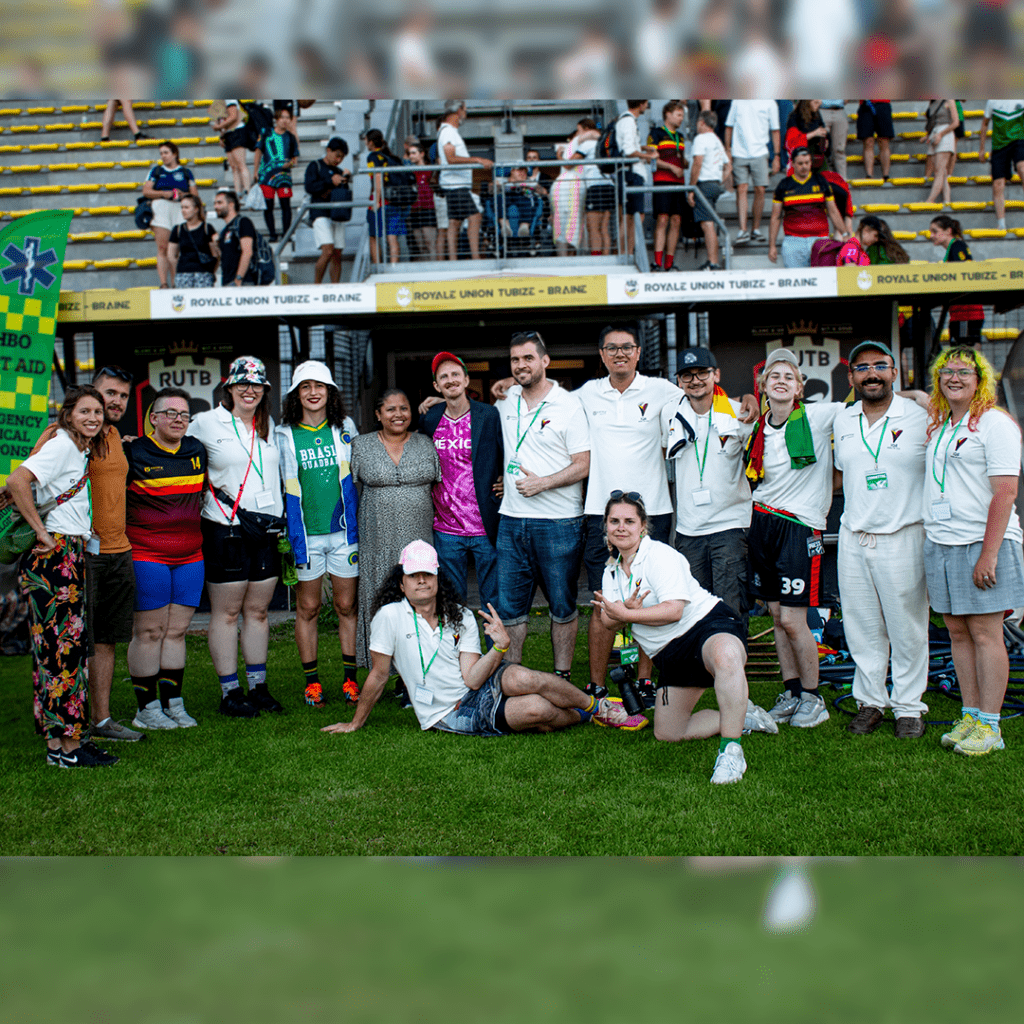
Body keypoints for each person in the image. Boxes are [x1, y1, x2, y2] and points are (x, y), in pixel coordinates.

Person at [322, 540, 647, 736]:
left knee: (522, 677)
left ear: (437, 578)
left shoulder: (460, 614)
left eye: (427, 574)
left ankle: (598, 706)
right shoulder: (389, 616)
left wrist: (500, 647)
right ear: (402, 583)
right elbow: (379, 675)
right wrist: (356, 722)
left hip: (475, 688)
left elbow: (473, 679)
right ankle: (584, 715)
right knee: (537, 711)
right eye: (413, 575)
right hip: (446, 713)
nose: (421, 581)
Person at [592, 493, 776, 784]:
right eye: (614, 521)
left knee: (727, 656)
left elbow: (674, 611)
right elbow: (607, 620)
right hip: (669, 654)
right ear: (606, 526)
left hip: (704, 627)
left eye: (629, 521)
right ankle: (743, 715)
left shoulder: (660, 555)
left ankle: (731, 752)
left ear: (643, 526)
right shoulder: (611, 571)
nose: (621, 528)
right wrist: (624, 610)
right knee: (669, 733)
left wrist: (627, 614)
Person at [23, 366, 144, 745]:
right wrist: (41, 531)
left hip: (117, 550)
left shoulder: (114, 436)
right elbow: (30, 480)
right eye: (109, 393)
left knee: (105, 639)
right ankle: (65, 730)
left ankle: (100, 719)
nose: (115, 401)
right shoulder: (62, 436)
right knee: (69, 642)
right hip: (75, 551)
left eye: (123, 395)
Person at [7, 386, 117, 767]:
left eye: (98, 412)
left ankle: (62, 744)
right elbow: (17, 480)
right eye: (84, 411)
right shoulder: (64, 446)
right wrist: (41, 532)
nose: (93, 418)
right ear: (68, 414)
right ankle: (68, 748)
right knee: (63, 651)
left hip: (63, 553)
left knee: (57, 652)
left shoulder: (73, 447)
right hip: (55, 555)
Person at [923, 347, 1024, 756]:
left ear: (981, 379)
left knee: (985, 633)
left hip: (981, 543)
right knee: (958, 633)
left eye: (965, 372)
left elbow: (1006, 492)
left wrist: (989, 554)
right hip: (942, 542)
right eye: (947, 371)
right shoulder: (942, 424)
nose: (955, 377)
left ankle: (991, 726)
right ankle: (970, 715)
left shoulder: (995, 423)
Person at [833, 342, 930, 739]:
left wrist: (918, 395)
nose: (871, 374)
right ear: (851, 377)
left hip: (902, 534)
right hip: (854, 536)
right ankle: (870, 702)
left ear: (894, 372)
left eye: (879, 366)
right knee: (862, 627)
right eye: (862, 368)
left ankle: (909, 707)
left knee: (907, 628)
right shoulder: (843, 418)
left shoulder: (921, 416)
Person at [744, 348, 845, 729]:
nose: (781, 381)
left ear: (800, 387)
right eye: (775, 376)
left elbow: (869, 407)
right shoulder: (756, 426)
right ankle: (791, 692)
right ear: (763, 386)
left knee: (792, 618)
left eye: (789, 376)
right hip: (762, 521)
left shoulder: (819, 416)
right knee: (775, 615)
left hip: (799, 526)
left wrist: (914, 397)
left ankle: (813, 697)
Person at [187, 356, 284, 718]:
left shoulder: (269, 425)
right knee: (227, 613)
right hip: (224, 528)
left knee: (258, 612)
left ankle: (258, 687)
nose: (249, 390)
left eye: (256, 384)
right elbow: (174, 448)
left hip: (265, 528)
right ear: (228, 387)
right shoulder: (205, 422)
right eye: (242, 383)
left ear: (264, 390)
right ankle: (230, 692)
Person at [495, 331, 590, 679]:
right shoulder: (506, 400)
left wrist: (543, 482)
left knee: (562, 606)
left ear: (545, 361)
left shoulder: (569, 405)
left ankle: (562, 677)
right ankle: (511, 679)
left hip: (559, 522)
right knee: (510, 609)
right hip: (511, 520)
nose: (521, 365)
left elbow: (583, 464)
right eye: (515, 360)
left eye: (528, 358)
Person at [275, 361, 360, 708]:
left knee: (346, 606)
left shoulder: (345, 427)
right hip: (305, 535)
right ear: (296, 394)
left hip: (343, 533)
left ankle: (350, 680)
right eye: (305, 387)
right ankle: (312, 684)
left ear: (330, 392)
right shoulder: (283, 433)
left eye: (319, 386)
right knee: (308, 608)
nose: (313, 393)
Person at [124, 388, 207, 730]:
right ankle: (146, 709)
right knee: (149, 632)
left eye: (184, 414)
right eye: (170, 413)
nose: (178, 419)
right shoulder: (133, 452)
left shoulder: (197, 450)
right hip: (147, 554)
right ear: (153, 418)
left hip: (191, 556)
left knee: (177, 632)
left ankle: (174, 703)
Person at [661, 347, 755, 633]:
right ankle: (704, 656)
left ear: (716, 375)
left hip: (730, 525)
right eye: (687, 375)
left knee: (731, 604)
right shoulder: (670, 413)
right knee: (694, 607)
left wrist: (751, 398)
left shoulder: (740, 413)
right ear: (679, 381)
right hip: (688, 529)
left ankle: (734, 656)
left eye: (702, 373)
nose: (695, 380)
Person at [350, 389, 441, 669]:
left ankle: (417, 669)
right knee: (380, 597)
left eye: (404, 408)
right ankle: (381, 667)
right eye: (390, 409)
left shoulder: (426, 443)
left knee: (418, 596)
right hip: (377, 539)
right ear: (378, 414)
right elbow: (347, 490)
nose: (398, 414)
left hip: (418, 538)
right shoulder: (360, 445)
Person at [419, 352, 503, 620]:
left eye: (456, 374)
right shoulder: (430, 418)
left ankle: (494, 647)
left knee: (493, 600)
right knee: (452, 601)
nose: (451, 380)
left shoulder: (489, 415)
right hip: (447, 528)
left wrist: (506, 480)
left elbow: (507, 452)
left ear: (466, 380)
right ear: (436, 386)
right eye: (444, 377)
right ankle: (458, 647)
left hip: (485, 525)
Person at [768, 147, 848, 268]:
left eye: (807, 163)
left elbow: (833, 211)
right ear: (793, 164)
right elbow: (776, 216)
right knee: (796, 279)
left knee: (822, 278)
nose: (804, 166)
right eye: (800, 163)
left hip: (820, 240)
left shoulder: (821, 181)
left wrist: (845, 233)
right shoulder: (783, 185)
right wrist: (772, 245)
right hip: (793, 241)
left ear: (811, 163)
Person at [437, 100, 493, 260]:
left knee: (455, 222)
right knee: (475, 217)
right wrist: (477, 160)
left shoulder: (448, 131)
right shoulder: (448, 132)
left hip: (454, 184)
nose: (466, 113)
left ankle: (453, 260)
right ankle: (475, 258)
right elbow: (451, 158)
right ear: (458, 111)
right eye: (465, 110)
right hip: (456, 185)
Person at [142, 141, 198, 289]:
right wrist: (163, 193)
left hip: (180, 208)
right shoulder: (156, 171)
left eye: (166, 152)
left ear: (175, 154)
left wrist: (183, 194)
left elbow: (195, 196)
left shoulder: (186, 172)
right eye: (161, 153)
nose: (163, 156)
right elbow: (146, 191)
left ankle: (175, 283)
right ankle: (164, 283)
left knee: (176, 249)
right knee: (162, 247)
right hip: (161, 207)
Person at [724, 98, 780, 244]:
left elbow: (775, 130)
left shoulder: (770, 103)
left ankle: (755, 229)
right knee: (741, 188)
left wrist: (777, 156)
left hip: (760, 152)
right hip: (739, 152)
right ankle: (743, 230)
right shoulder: (737, 101)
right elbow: (729, 126)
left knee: (760, 190)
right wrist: (728, 150)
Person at [648, 99, 689, 271]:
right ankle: (657, 262)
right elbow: (651, 159)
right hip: (662, 181)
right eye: (678, 115)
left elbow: (681, 159)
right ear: (668, 114)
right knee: (663, 219)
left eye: (682, 115)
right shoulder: (656, 133)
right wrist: (671, 167)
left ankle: (669, 264)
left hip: (679, 183)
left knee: (676, 221)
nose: (681, 119)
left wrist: (685, 163)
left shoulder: (680, 136)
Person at [687, 110, 730, 271]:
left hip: (703, 184)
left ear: (702, 123)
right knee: (709, 223)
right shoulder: (717, 140)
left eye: (698, 122)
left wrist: (691, 188)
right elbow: (728, 166)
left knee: (707, 224)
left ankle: (713, 262)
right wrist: (719, 180)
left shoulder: (701, 138)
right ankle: (713, 261)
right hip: (714, 184)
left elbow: (697, 163)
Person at [929, 215, 984, 342]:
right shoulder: (955, 247)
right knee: (965, 346)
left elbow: (961, 275)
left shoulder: (957, 246)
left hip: (966, 312)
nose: (931, 235)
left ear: (948, 231)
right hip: (960, 312)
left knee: (965, 347)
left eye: (935, 231)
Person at [304, 136, 350, 284]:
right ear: (328, 150)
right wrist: (330, 181)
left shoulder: (338, 171)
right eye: (337, 155)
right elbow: (309, 187)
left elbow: (343, 193)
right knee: (328, 250)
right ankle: (317, 285)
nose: (339, 160)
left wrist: (344, 180)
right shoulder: (315, 166)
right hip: (320, 213)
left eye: (342, 158)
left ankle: (334, 287)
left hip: (337, 214)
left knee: (337, 253)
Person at [615, 99, 658, 257]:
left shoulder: (625, 120)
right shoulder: (628, 122)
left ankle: (626, 253)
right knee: (634, 216)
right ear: (641, 104)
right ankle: (626, 254)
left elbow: (628, 147)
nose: (647, 106)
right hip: (632, 174)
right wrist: (648, 156)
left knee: (629, 216)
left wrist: (643, 148)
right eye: (646, 103)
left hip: (628, 173)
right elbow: (628, 151)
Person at [549, 120, 599, 257]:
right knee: (573, 225)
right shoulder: (580, 141)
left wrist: (559, 156)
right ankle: (569, 258)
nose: (577, 133)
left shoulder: (578, 142)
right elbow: (595, 134)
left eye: (578, 129)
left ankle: (564, 258)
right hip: (572, 185)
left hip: (563, 185)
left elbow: (594, 134)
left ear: (585, 128)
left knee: (563, 225)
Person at [254, 106, 300, 242]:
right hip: (266, 176)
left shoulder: (291, 137)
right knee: (268, 206)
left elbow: (295, 159)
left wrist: (289, 164)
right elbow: (258, 151)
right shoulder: (266, 133)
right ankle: (272, 235)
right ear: (276, 119)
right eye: (282, 117)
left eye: (288, 118)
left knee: (286, 205)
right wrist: (255, 171)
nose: (285, 120)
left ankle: (286, 235)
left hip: (284, 177)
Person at [977, 99, 1024, 229]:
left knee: (1022, 168)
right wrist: (982, 149)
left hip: (1019, 140)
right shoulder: (992, 101)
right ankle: (1001, 223)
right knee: (998, 184)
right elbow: (985, 124)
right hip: (999, 146)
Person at [365, 128, 407, 265]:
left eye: (366, 140)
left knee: (373, 237)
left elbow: (377, 177)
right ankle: (393, 268)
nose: (365, 143)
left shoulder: (373, 156)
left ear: (371, 142)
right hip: (394, 202)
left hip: (381, 202)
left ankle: (378, 267)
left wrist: (376, 201)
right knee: (392, 237)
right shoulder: (392, 157)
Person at [168, 194, 219, 288]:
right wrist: (179, 270)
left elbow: (215, 254)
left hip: (203, 273)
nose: (183, 210)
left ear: (196, 209)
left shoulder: (207, 228)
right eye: (182, 207)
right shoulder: (177, 229)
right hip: (183, 273)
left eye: (186, 207)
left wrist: (210, 271)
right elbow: (171, 255)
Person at [213, 189, 257, 287]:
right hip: (228, 282)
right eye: (215, 203)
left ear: (231, 205)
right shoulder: (225, 230)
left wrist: (238, 279)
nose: (215, 207)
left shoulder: (243, 222)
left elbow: (247, 252)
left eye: (219, 203)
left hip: (243, 282)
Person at [212, 99, 251, 198]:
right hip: (228, 133)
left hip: (237, 131)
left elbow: (233, 116)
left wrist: (218, 126)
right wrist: (222, 135)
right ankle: (238, 193)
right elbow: (223, 118)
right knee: (234, 167)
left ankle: (248, 191)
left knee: (240, 164)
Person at [924, 99, 960, 205]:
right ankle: (947, 200)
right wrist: (928, 135)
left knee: (939, 171)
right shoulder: (932, 102)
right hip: (934, 133)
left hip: (945, 133)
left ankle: (930, 200)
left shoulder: (949, 100)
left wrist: (941, 134)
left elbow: (956, 122)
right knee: (942, 171)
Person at [406, 140, 437, 261]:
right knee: (421, 246)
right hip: (414, 210)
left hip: (428, 208)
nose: (411, 156)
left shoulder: (431, 169)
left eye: (414, 153)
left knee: (430, 243)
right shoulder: (410, 172)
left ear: (422, 154)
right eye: (409, 153)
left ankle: (435, 269)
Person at [856, 100, 894, 185]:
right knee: (868, 141)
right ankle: (869, 175)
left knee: (884, 141)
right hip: (865, 105)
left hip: (883, 103)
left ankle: (886, 175)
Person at [785, 100, 829, 170]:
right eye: (816, 102)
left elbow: (822, 129)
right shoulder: (795, 116)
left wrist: (826, 141)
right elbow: (793, 140)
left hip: (818, 155)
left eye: (819, 103)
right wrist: (814, 133)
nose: (818, 105)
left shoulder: (816, 113)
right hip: (802, 156)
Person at [818, 99, 848, 178]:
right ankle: (820, 178)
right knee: (821, 147)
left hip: (839, 110)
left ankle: (842, 180)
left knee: (840, 149)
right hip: (822, 109)